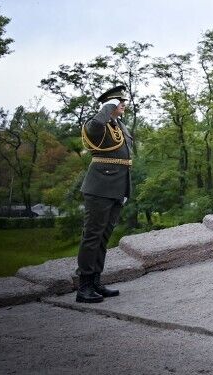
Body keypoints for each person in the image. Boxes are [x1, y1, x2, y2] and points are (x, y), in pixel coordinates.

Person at [76, 85, 133, 303]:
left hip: (117, 187)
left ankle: (96, 281)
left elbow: (125, 158)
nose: (124, 105)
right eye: (120, 103)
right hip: (99, 187)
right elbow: (95, 126)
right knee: (92, 236)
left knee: (103, 237)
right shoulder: (97, 124)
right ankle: (84, 286)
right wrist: (107, 108)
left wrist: (126, 189)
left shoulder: (117, 125)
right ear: (110, 105)